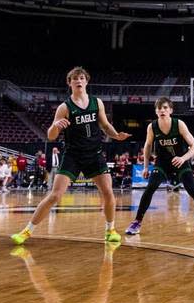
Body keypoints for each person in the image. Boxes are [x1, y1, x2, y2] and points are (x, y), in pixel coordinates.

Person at [10, 67, 130, 246]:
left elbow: (105, 125)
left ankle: (110, 230)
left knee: (108, 193)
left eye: (82, 78)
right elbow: (50, 136)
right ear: (70, 83)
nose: (79, 81)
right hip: (73, 155)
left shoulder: (97, 103)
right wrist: (56, 125)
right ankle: (26, 231)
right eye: (75, 79)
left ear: (86, 81)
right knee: (55, 195)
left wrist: (116, 135)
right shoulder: (64, 107)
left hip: (94, 154)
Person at [124, 98, 194, 235]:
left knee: (192, 189)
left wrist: (183, 158)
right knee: (150, 188)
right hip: (162, 163)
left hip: (180, 161)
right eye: (159, 108)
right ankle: (136, 222)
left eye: (165, 108)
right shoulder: (152, 127)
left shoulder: (179, 124)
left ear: (171, 110)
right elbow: (148, 146)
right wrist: (145, 167)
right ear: (156, 111)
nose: (162, 110)